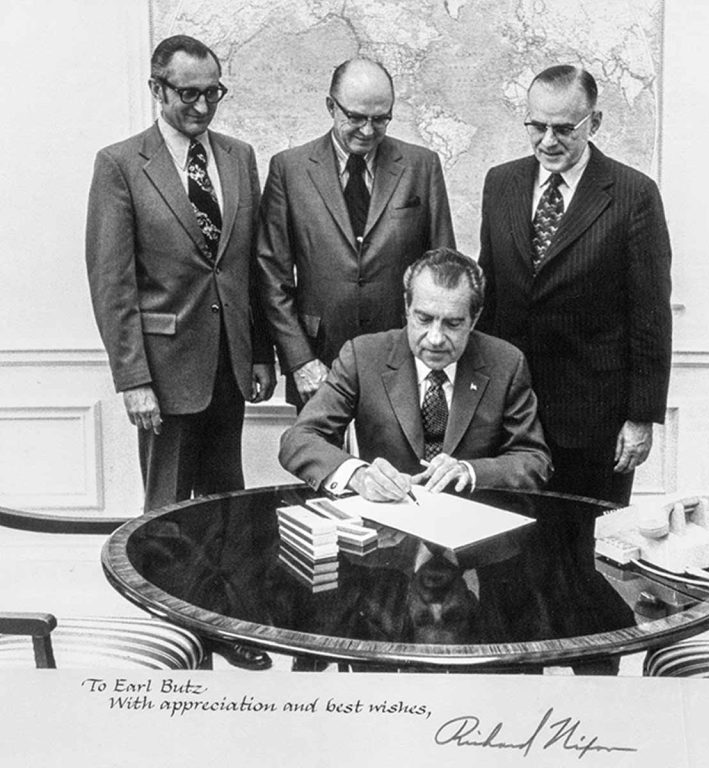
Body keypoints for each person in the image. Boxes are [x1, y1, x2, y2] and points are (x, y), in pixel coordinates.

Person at [85, 35, 276, 513]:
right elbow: (113, 284)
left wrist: (260, 354)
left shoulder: (239, 157)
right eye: (188, 93)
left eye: (213, 92)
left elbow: (252, 267)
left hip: (229, 369)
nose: (203, 104)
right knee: (166, 516)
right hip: (164, 376)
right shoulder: (121, 165)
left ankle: (218, 591)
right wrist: (133, 381)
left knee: (227, 509)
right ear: (158, 88)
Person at [477, 65, 672, 507]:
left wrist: (640, 419)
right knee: (504, 557)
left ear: (594, 123)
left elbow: (650, 316)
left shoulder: (633, 194)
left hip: (592, 424)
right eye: (537, 126)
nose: (548, 141)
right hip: (508, 416)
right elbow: (488, 297)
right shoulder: (500, 182)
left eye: (564, 128)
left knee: (579, 562)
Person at [256, 57, 455, 410]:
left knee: (400, 467)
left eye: (380, 119)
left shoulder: (421, 166)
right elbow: (272, 277)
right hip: (319, 364)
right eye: (356, 118)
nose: (367, 130)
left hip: (405, 361)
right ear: (331, 106)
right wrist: (300, 360)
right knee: (325, 464)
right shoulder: (289, 169)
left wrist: (431, 356)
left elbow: (443, 271)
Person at [279, 248, 552, 500]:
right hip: (390, 531)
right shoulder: (363, 356)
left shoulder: (506, 363)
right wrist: (359, 476)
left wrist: (470, 472)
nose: (435, 338)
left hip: (475, 529)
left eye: (453, 324)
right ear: (407, 308)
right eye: (423, 319)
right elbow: (298, 440)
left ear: (475, 318)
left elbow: (534, 459)